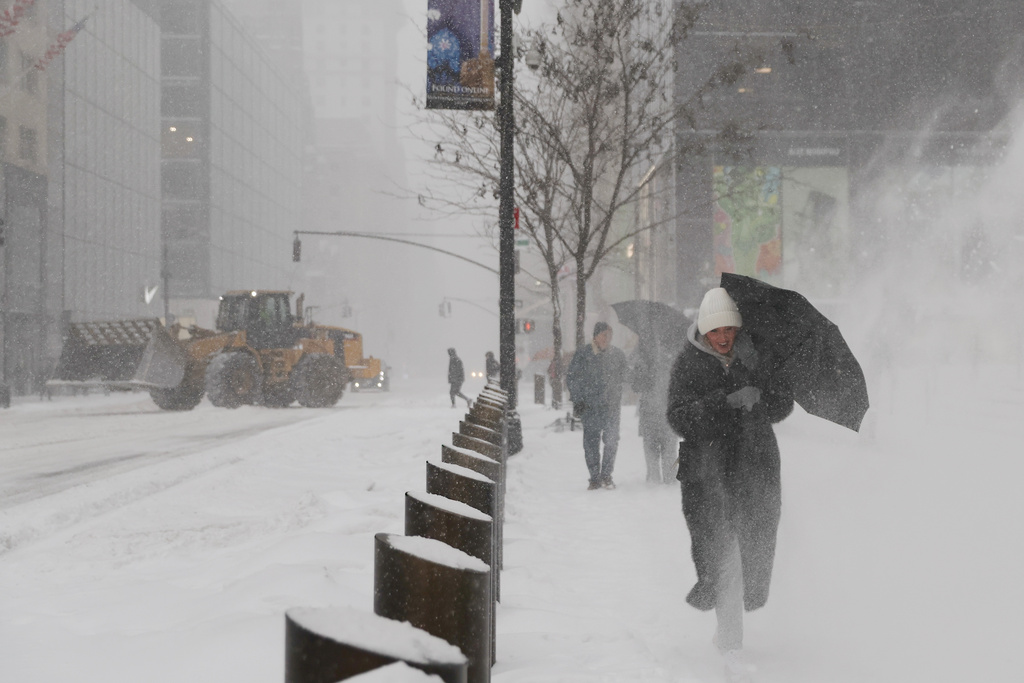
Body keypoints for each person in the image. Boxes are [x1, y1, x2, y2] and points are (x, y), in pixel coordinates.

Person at [666, 287, 794, 683]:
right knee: (724, 555)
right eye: (716, 330)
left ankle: (727, 629)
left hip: (754, 470)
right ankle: (732, 646)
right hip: (707, 477)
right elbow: (678, 418)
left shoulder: (753, 357)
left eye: (730, 329)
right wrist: (726, 402)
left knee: (751, 550)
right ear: (703, 329)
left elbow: (782, 406)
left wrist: (764, 395)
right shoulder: (688, 364)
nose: (724, 337)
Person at [566, 322, 627, 490]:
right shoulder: (583, 355)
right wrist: (578, 399)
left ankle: (606, 475)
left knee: (611, 441)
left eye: (610, 335)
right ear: (596, 336)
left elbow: (626, 376)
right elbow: (572, 378)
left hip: (611, 407)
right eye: (604, 335)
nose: (608, 339)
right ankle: (594, 477)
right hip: (590, 407)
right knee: (591, 443)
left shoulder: (617, 355)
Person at [629, 343, 678, 484]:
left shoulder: (674, 356)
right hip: (650, 412)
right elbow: (636, 385)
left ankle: (666, 483)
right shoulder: (642, 354)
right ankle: (654, 484)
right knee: (652, 451)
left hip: (667, 411)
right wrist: (642, 370)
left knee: (668, 451)